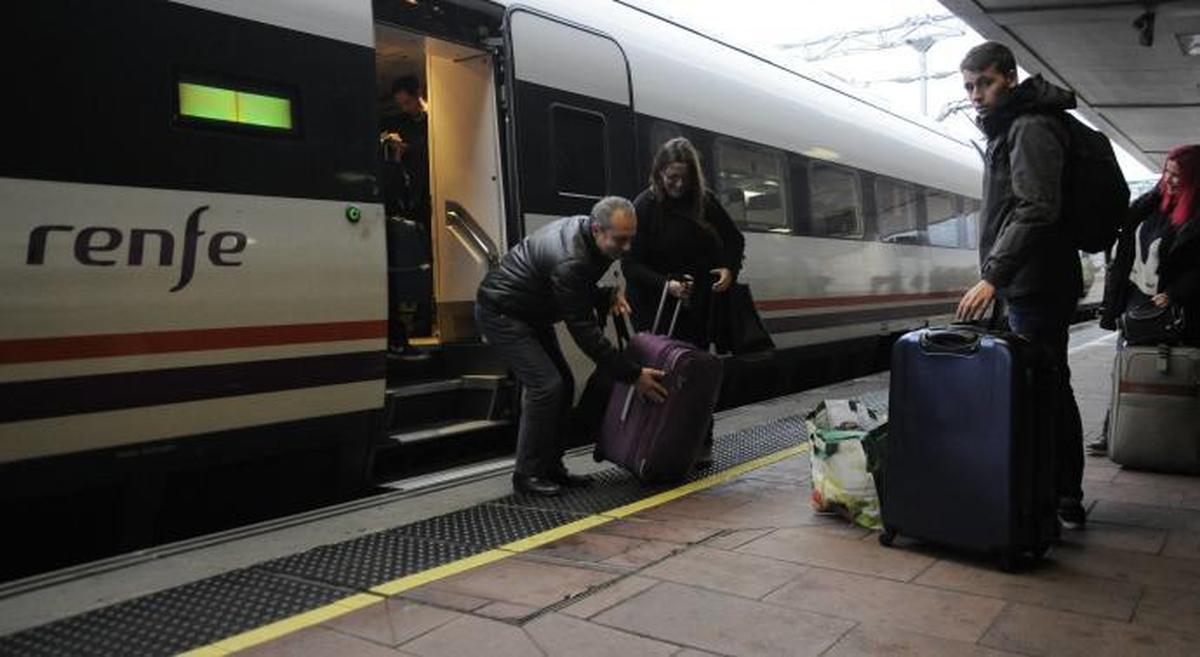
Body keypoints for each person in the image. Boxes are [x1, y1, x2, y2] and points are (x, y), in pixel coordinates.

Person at [954, 41, 1087, 528]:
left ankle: (1061, 494)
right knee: (1040, 385)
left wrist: (993, 275)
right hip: (1027, 281)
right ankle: (1048, 489)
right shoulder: (1011, 127)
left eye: (983, 83)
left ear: (1008, 77)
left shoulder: (1030, 127)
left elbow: (1037, 209)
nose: (975, 95)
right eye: (969, 86)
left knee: (1046, 386)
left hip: (1036, 283)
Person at [476, 197, 669, 497]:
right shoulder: (571, 259)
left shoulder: (585, 237)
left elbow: (575, 289)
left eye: (631, 239)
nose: (627, 248)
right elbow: (585, 333)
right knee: (546, 386)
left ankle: (552, 467)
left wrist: (604, 296)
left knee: (564, 384)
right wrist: (632, 375)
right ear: (596, 230)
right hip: (503, 312)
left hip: (531, 311)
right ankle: (526, 475)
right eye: (620, 240)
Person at [623, 137, 745, 468]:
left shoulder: (703, 202)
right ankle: (653, 442)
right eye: (671, 177)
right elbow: (630, 265)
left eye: (683, 178)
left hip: (696, 306)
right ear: (659, 173)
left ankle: (700, 442)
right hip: (655, 307)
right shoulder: (645, 206)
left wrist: (728, 269)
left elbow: (734, 239)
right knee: (660, 376)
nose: (677, 185)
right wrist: (667, 285)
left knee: (695, 374)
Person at [1088, 144, 1200, 455]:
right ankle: (1116, 432)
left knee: (1173, 370)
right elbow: (1126, 222)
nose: (1170, 180)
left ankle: (1176, 439)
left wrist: (1177, 293)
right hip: (1137, 300)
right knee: (1125, 366)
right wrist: (1155, 193)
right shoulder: (1154, 206)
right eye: (1166, 172)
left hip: (1172, 305)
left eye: (1178, 176)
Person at [380, 75, 431, 228]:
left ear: (418, 94)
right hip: (411, 191)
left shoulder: (435, 119)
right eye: (400, 104)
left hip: (432, 186)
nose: (405, 108)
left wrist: (408, 149)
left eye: (408, 102)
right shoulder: (400, 122)